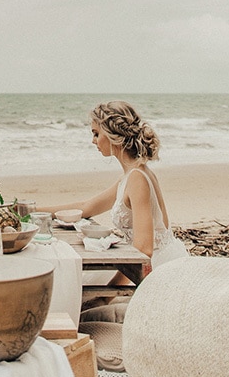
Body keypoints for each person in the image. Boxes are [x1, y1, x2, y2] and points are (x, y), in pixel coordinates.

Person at [46, 101, 188, 271]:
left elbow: (144, 250)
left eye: (96, 134)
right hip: (145, 262)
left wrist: (107, 295)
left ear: (112, 135)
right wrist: (30, 210)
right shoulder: (132, 175)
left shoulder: (137, 178)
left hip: (157, 268)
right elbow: (87, 207)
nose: (93, 141)